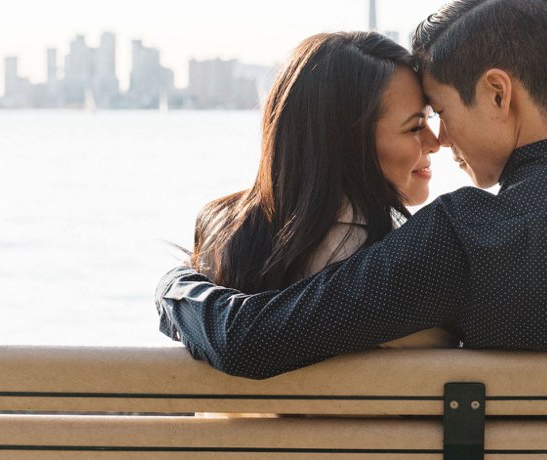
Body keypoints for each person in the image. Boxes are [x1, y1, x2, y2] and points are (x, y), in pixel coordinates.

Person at [157, 0, 547, 379]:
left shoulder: (464, 240)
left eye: (442, 113)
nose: (440, 140)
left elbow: (254, 340)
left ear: (499, 93)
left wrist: (178, 287)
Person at [187, 31, 451, 348]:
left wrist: (175, 288)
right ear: (348, 146)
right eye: (415, 126)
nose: (435, 143)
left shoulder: (221, 234)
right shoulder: (398, 264)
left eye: (429, 119)